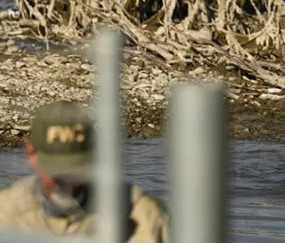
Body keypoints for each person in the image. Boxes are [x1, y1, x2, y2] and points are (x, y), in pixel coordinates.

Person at [0, 100, 169, 242]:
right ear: (31, 154)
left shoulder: (140, 213)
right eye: (56, 171)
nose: (68, 183)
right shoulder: (6, 214)